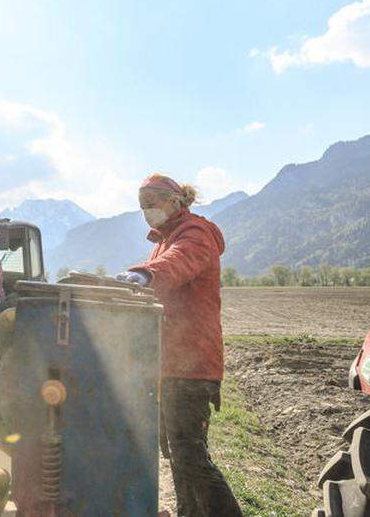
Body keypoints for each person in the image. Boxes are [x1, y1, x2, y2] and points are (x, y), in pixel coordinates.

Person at [117, 174, 242, 517]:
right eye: (142, 207)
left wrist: (145, 275)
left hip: (192, 363)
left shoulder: (196, 234)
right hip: (171, 361)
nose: (147, 212)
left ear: (174, 201)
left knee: (190, 455)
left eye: (151, 205)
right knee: (177, 453)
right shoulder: (164, 239)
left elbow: (177, 263)